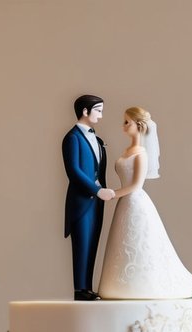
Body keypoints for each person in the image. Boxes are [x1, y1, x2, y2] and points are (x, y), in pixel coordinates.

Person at [97, 107, 192, 300]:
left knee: (139, 241)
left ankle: (140, 285)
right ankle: (121, 285)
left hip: (135, 201)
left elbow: (136, 185)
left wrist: (113, 194)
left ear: (139, 125)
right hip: (124, 204)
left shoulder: (141, 154)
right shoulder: (127, 151)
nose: (123, 126)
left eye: (127, 122)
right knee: (123, 242)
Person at [62, 94, 116, 301]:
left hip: (97, 203)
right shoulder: (72, 138)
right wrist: (96, 191)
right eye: (98, 111)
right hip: (82, 202)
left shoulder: (97, 139)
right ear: (85, 111)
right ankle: (80, 288)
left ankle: (88, 287)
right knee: (82, 244)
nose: (101, 116)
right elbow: (74, 171)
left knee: (93, 243)